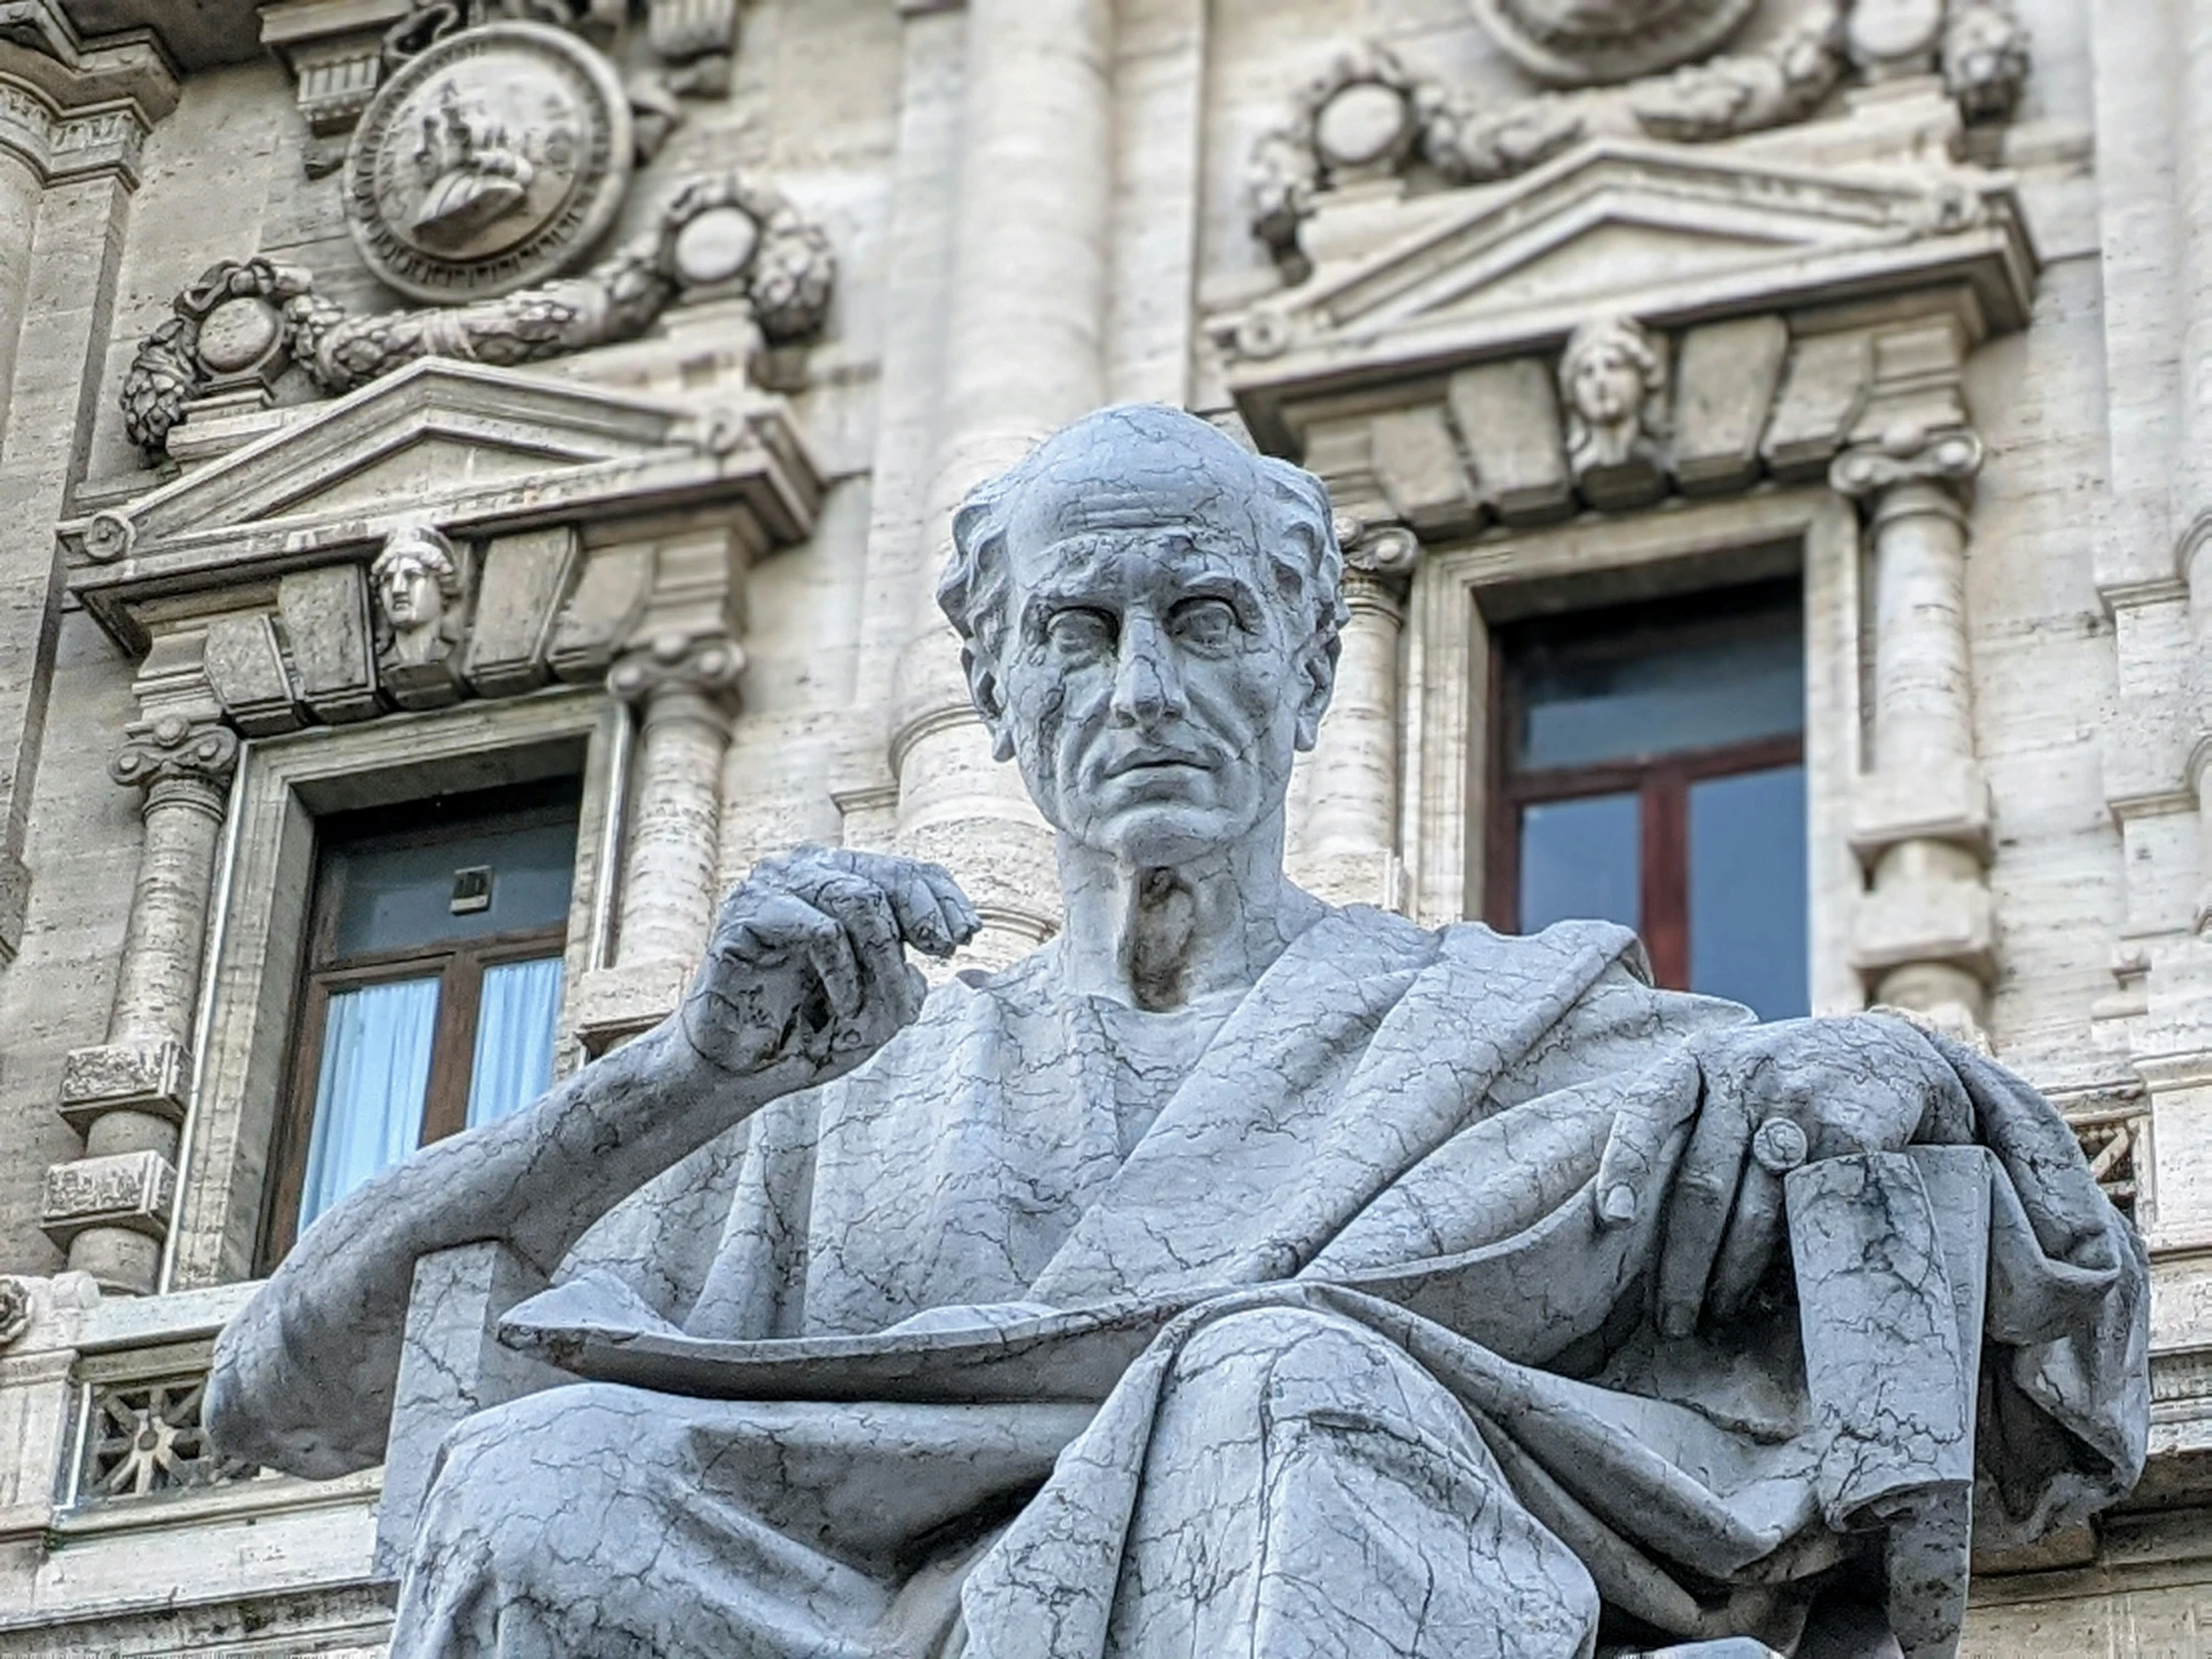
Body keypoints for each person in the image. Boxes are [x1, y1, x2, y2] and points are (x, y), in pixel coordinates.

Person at [210, 404, 2145, 1658]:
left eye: (1206, 619)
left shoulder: (1502, 1023)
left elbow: (1999, 1264)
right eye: (1078, 630)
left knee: (1278, 1384)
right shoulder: (829, 1081)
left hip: (1307, 1533)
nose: (1143, 688)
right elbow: (288, 1395)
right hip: (831, 1584)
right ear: (999, 684)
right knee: (547, 1484)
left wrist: (1880, 1069)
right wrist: (676, 1079)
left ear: (1311, 668)